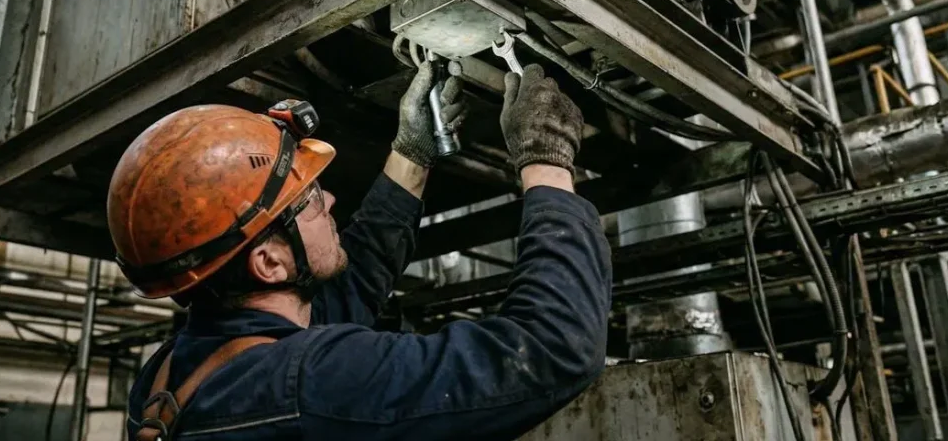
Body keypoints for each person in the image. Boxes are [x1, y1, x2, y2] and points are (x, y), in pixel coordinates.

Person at [108, 63, 611, 440]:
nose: (328, 200)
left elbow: (347, 288)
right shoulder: (312, 384)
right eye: (305, 203)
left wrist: (412, 154)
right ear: (269, 263)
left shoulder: (176, 372)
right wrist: (546, 163)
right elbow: (551, 347)